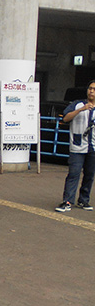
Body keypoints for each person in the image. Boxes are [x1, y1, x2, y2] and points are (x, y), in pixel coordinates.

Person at [55, 80, 95, 212]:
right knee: (74, 173)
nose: (91, 91)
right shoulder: (77, 104)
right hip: (77, 146)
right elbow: (65, 118)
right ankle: (67, 201)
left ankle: (84, 200)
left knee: (89, 175)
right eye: (90, 88)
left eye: (94, 89)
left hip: (93, 147)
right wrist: (81, 109)